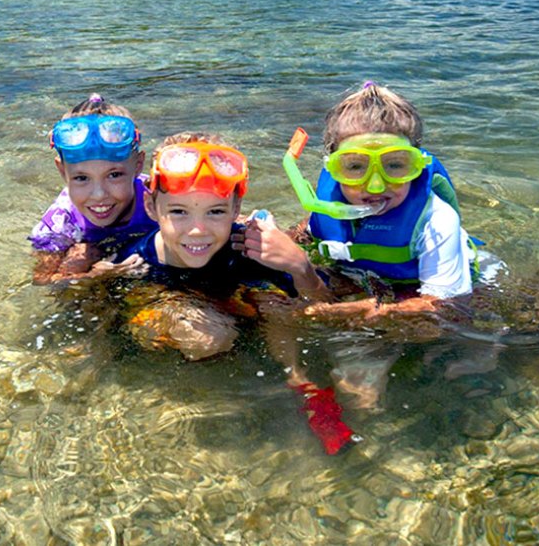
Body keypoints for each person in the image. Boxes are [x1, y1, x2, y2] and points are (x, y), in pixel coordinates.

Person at [239, 80, 477, 409]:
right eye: (355, 167)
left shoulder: (436, 221)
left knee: (362, 393)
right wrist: (273, 238)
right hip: (362, 281)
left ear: (417, 164)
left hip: (420, 293)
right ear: (334, 168)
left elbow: (447, 308)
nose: (375, 184)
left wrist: (346, 310)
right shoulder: (328, 202)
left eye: (395, 165)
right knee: (266, 299)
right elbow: (311, 233)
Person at [115, 132, 326, 361]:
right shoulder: (132, 261)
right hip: (182, 313)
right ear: (151, 207)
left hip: (228, 310)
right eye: (178, 211)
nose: (198, 230)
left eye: (215, 211)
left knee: (277, 306)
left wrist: (300, 266)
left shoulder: (247, 249)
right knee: (206, 337)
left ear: (236, 209)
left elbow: (321, 309)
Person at [28, 94, 155, 284]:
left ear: (138, 165)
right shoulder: (61, 223)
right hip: (91, 254)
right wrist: (96, 276)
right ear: (63, 171)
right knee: (75, 259)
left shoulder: (156, 198)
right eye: (81, 178)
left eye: (114, 175)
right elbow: (42, 281)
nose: (99, 195)